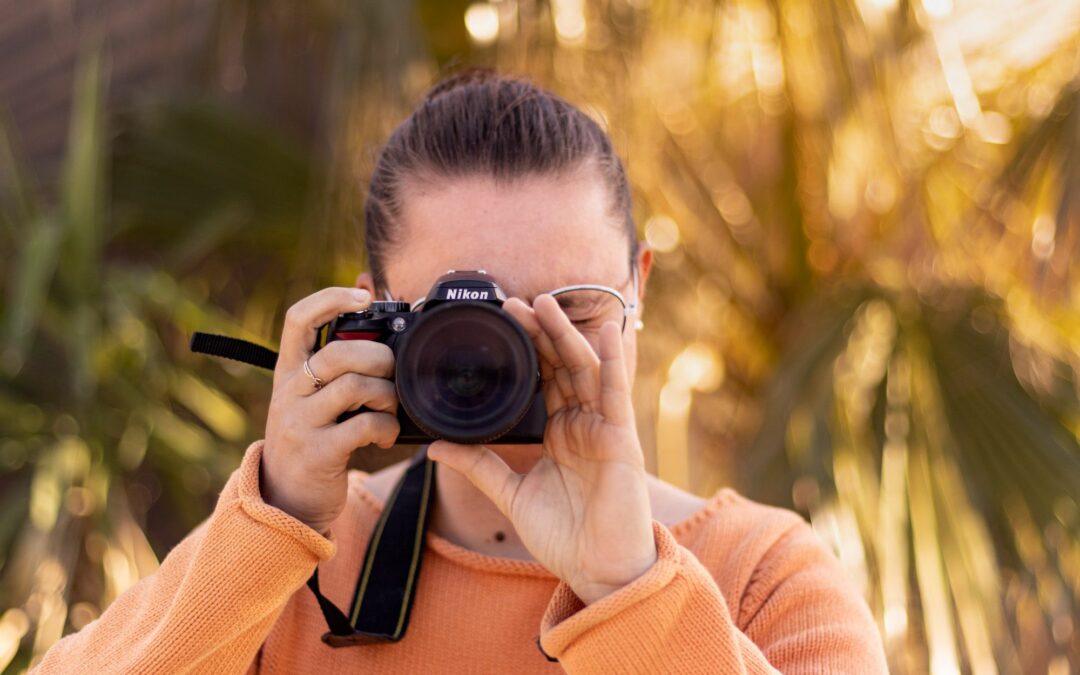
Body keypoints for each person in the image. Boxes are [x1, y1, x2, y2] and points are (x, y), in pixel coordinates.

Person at [33, 70, 888, 674]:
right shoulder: (290, 560)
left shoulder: (761, 574)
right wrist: (275, 520)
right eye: (461, 320)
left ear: (639, 289)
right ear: (374, 315)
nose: (518, 354)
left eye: (571, 309)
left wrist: (627, 586)